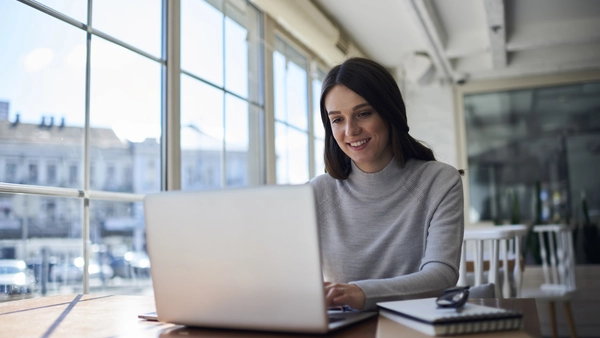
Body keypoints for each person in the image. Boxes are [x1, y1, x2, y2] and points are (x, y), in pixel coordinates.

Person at [309, 57, 464, 311]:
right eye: (337, 119)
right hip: (343, 328)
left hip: (415, 325)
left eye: (363, 113)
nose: (351, 130)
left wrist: (360, 292)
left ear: (389, 112)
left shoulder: (440, 181)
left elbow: (442, 275)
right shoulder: (315, 192)